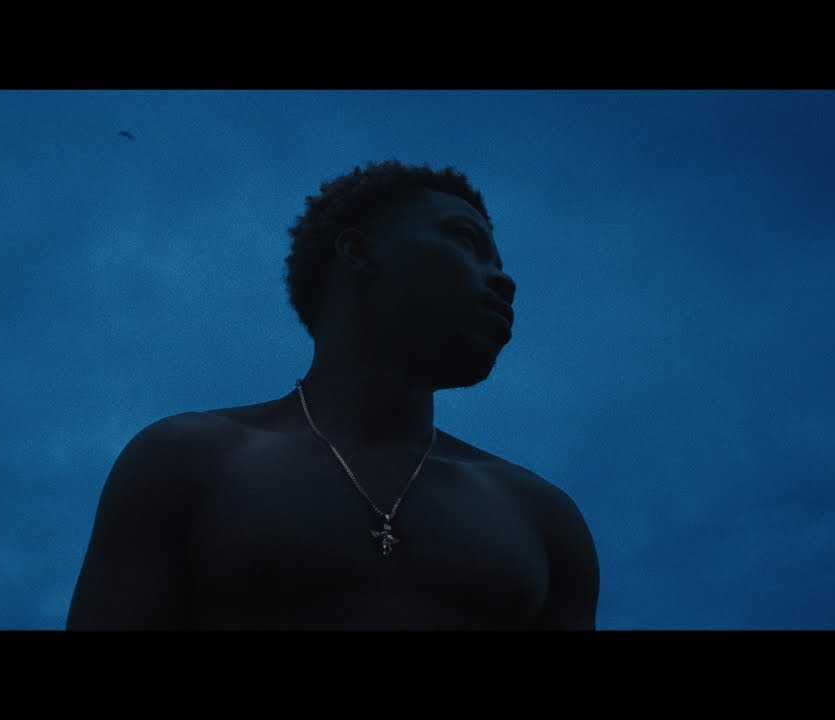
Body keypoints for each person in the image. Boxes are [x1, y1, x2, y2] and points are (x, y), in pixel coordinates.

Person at [67, 160, 599, 629]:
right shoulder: (187, 460)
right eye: (466, 241)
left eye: (500, 264)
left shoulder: (543, 518)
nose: (503, 281)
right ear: (359, 252)